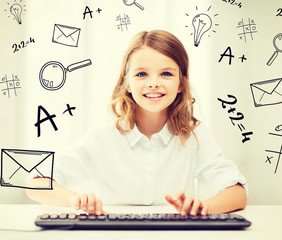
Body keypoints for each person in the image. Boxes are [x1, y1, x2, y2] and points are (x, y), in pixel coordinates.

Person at [26, 30, 247, 216]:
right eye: (141, 74)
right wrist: (76, 200)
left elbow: (238, 193)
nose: (153, 83)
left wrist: (204, 208)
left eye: (166, 74)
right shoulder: (102, 137)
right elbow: (35, 183)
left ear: (181, 83)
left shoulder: (194, 135)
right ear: (127, 83)